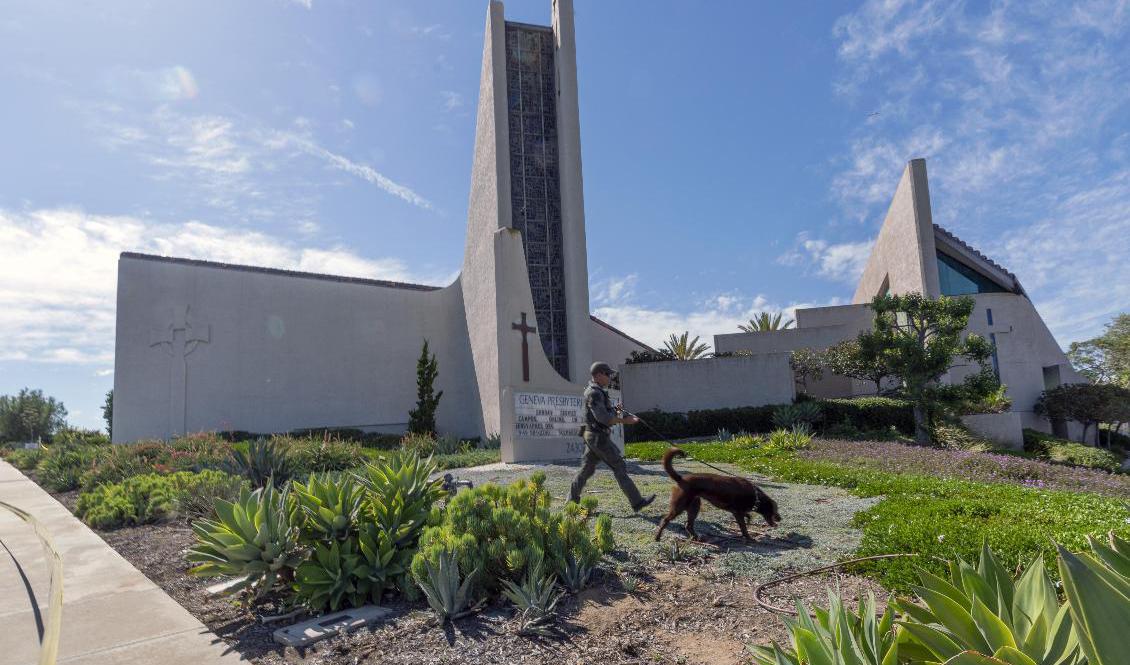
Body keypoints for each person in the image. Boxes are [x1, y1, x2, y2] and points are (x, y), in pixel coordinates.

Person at [569, 361, 656, 512]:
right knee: (619, 465)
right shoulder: (594, 393)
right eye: (607, 374)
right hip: (598, 437)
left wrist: (615, 410)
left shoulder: (596, 391)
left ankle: (570, 502)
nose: (609, 377)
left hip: (593, 436)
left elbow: (603, 414)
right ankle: (637, 502)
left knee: (586, 470)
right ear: (598, 375)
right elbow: (604, 419)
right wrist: (625, 421)